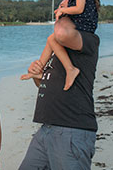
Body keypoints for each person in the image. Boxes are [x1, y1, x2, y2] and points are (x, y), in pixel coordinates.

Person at [19, 18, 100, 169]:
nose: (58, 11)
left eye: (63, 6)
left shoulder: (88, 40)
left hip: (71, 130)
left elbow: (62, 33)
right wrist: (36, 74)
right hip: (47, 129)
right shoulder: (57, 48)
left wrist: (65, 15)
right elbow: (44, 83)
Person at [21, 0, 100, 91]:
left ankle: (70, 69)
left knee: (53, 39)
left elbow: (79, 8)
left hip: (84, 26)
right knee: (51, 39)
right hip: (76, 23)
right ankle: (38, 71)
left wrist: (62, 10)